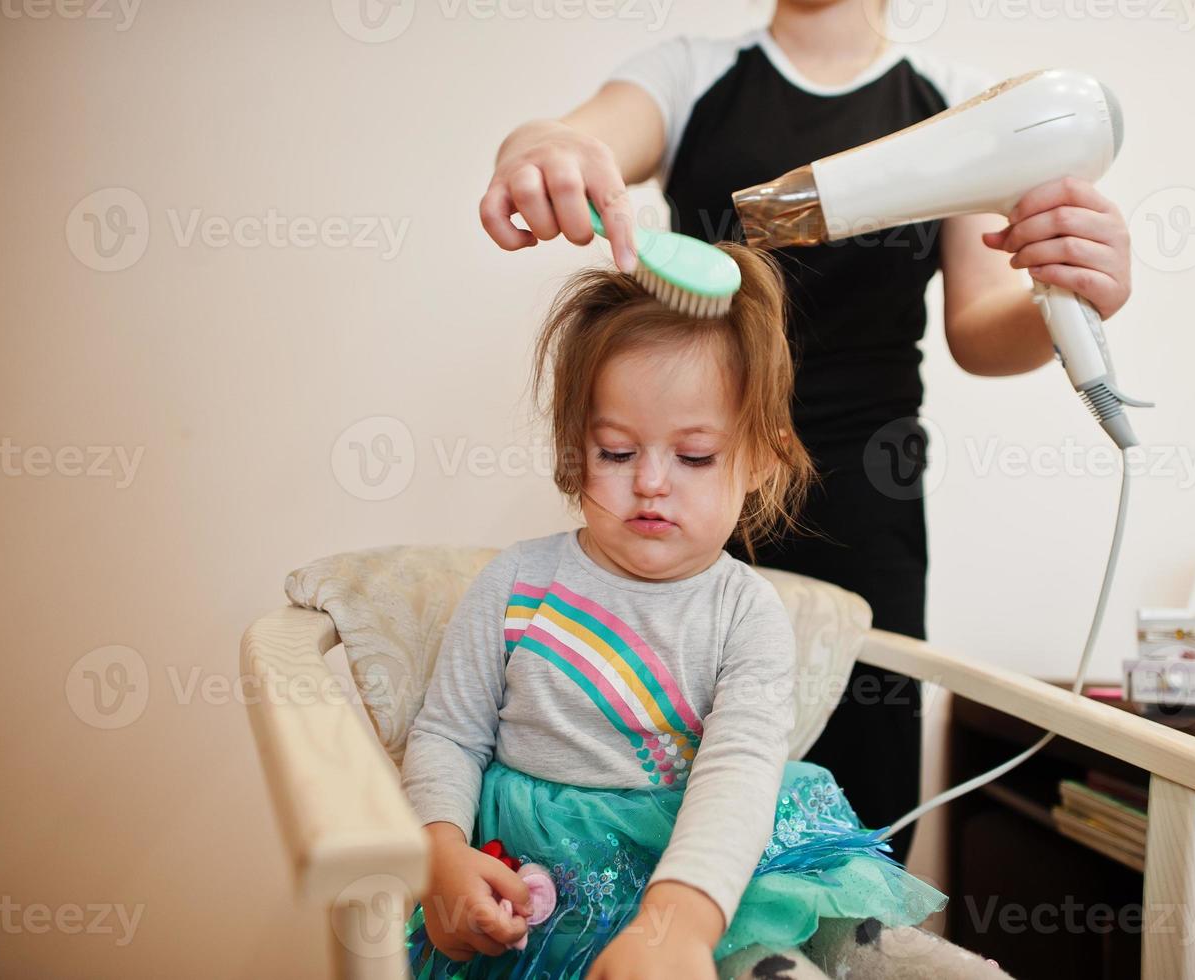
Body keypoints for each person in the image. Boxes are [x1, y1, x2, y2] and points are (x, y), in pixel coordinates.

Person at [479, 1, 1134, 863]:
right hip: (696, 485)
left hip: (867, 501)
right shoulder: (686, 74)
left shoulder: (963, 105)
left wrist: (1076, 289)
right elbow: (570, 136)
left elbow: (980, 329)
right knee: (669, 771)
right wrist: (537, 147)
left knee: (853, 807)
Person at [400, 246, 1011, 979]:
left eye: (693, 457)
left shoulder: (745, 610)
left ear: (759, 461)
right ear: (574, 450)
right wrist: (438, 854)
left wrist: (677, 924)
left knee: (822, 951)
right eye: (616, 452)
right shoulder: (516, 583)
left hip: (710, 873)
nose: (651, 483)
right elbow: (447, 735)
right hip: (550, 891)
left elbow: (738, 773)